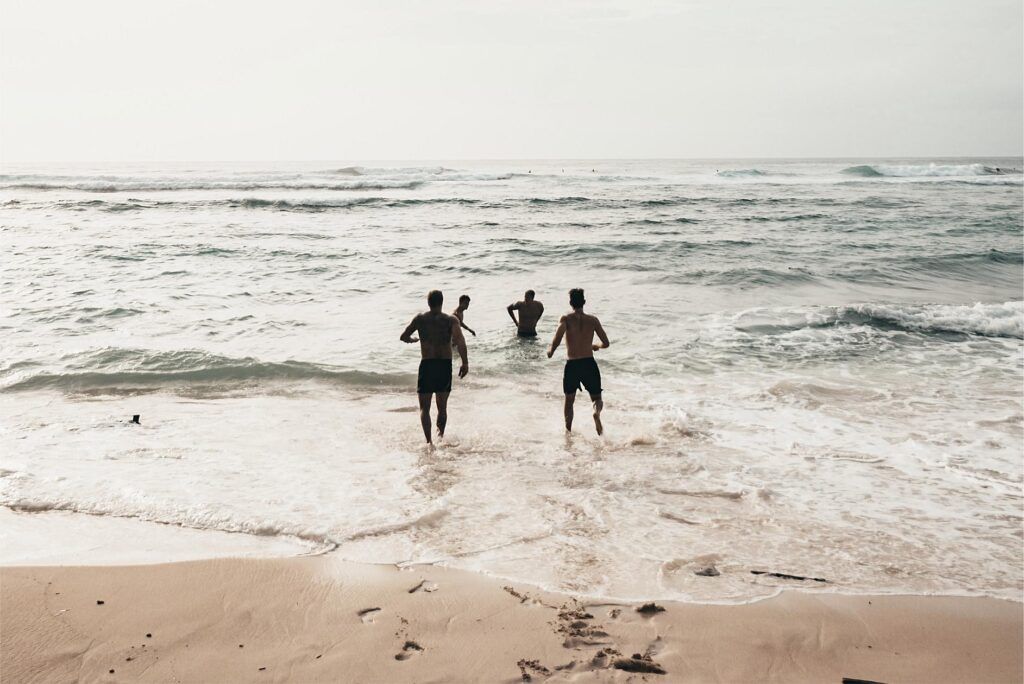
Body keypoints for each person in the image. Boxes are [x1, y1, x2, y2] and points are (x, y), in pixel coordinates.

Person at [401, 290, 469, 444]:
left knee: (424, 408)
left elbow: (403, 336)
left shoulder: (420, 319)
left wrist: (412, 340)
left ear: (428, 302)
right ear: (442, 302)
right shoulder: (451, 320)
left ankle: (429, 442)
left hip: (427, 365)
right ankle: (440, 437)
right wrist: (465, 362)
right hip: (444, 366)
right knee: (442, 407)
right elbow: (460, 341)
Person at [547, 288, 609, 435]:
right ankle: (596, 413)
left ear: (570, 303)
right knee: (596, 398)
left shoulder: (566, 319)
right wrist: (595, 346)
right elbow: (606, 343)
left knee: (569, 401)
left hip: (572, 365)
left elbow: (558, 337)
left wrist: (551, 351)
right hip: (589, 363)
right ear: (584, 302)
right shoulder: (593, 320)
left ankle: (568, 432)